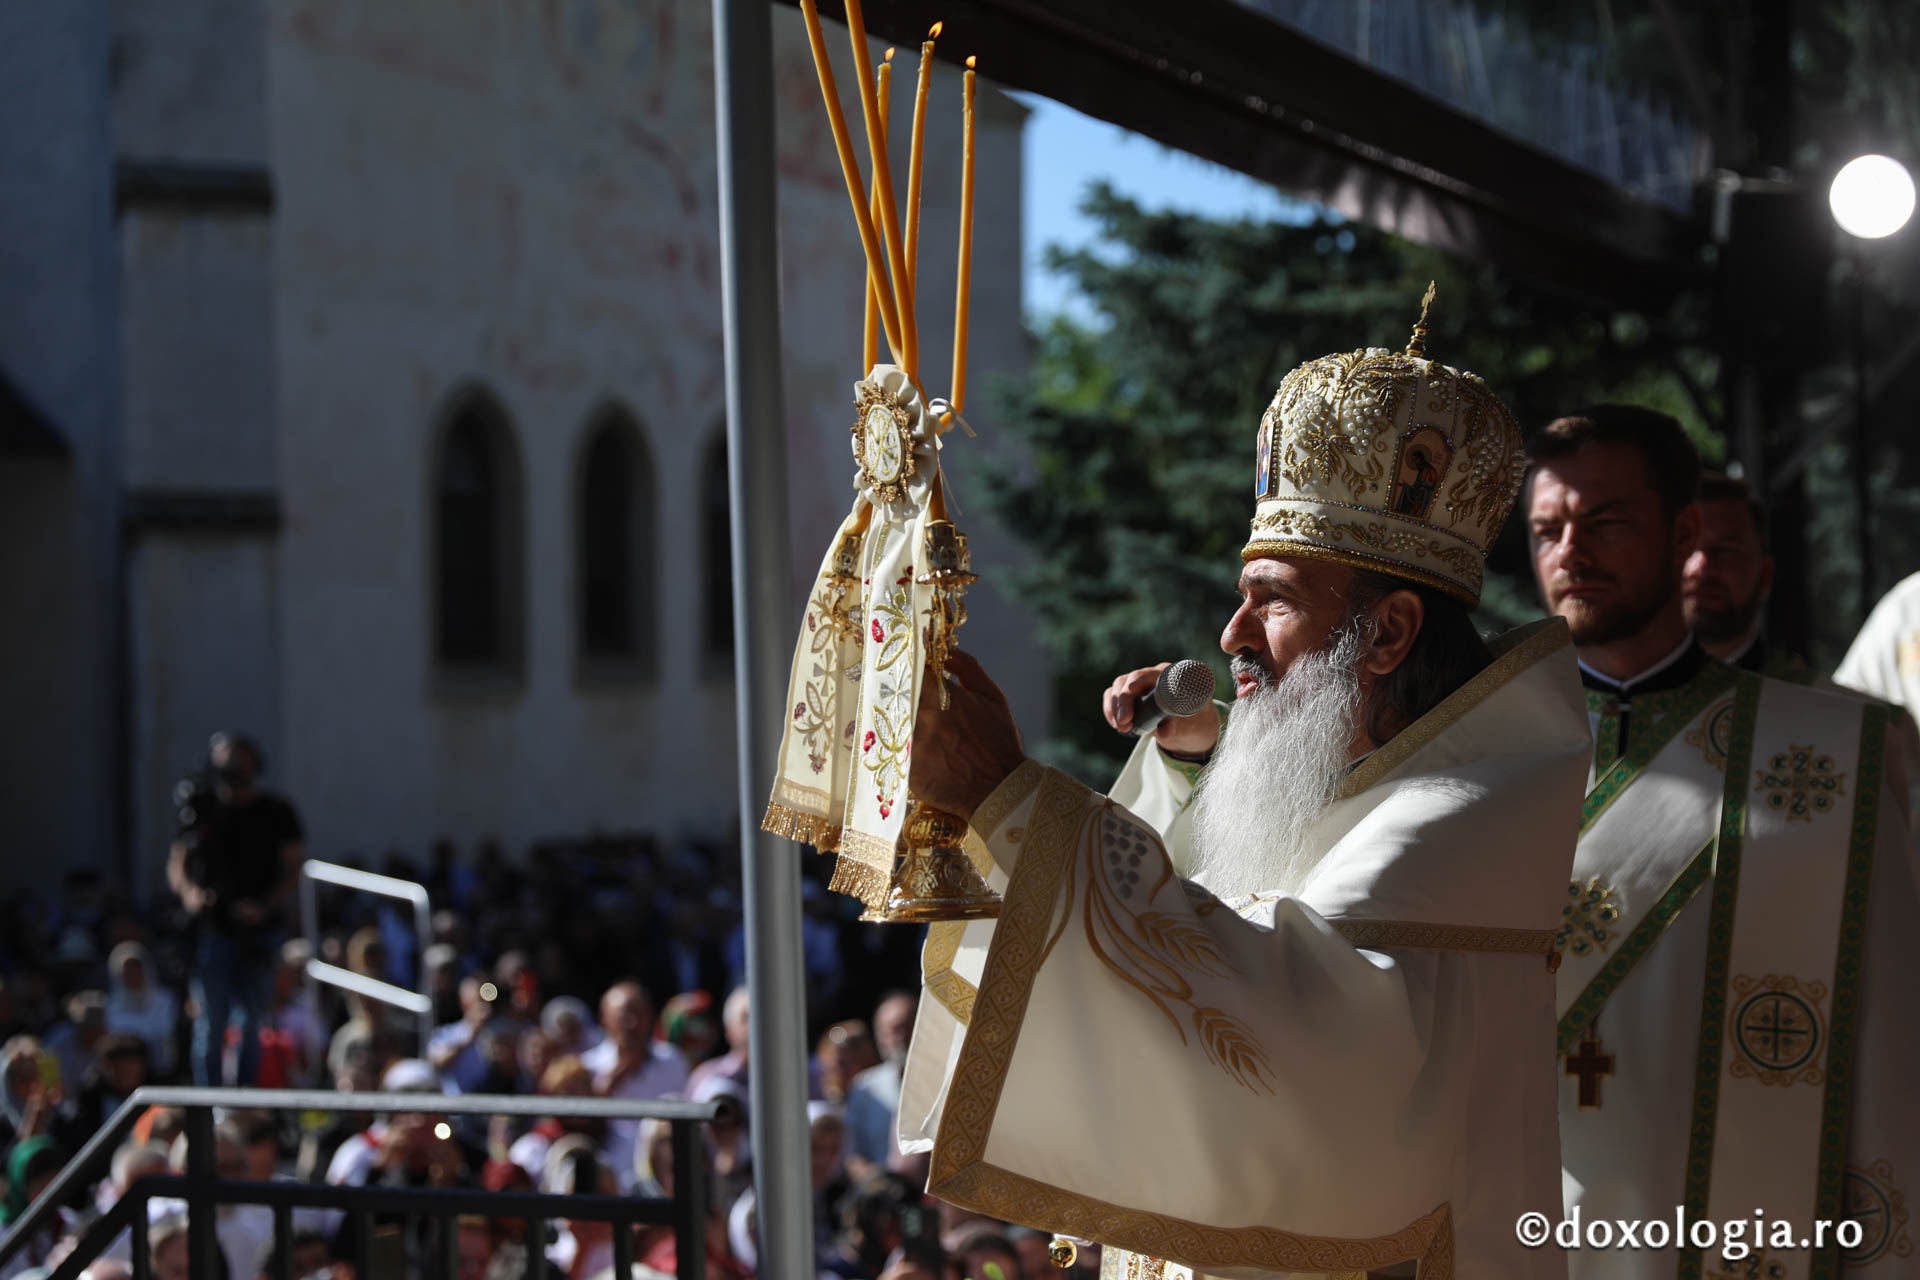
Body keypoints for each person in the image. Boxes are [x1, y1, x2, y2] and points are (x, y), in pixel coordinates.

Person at [901, 308, 1589, 1278]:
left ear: (1389, 634)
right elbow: (1221, 917)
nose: (1230, 634)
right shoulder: (1362, 783)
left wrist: (1010, 804)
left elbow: (1275, 1042)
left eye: (1273, 596)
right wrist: (1189, 769)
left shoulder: (1454, 819)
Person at [1524, 405, 1920, 1277]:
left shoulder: (1832, 756)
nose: (1571, 552)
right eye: (1548, 529)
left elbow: (1888, 1041)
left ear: (1684, 531)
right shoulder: (1480, 744)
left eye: (1606, 522)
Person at [166, 732, 304, 1086]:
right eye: (224, 762)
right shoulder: (203, 809)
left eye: (237, 762)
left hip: (259, 933)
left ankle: (243, 1097)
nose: (230, 770)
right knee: (211, 1021)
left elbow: (293, 869)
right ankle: (208, 1101)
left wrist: (264, 906)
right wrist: (191, 894)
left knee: (253, 1020)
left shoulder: (276, 812)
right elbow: (178, 861)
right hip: (213, 932)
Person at [581, 982, 687, 1190]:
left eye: (638, 1013)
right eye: (623, 1015)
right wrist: (602, 1092)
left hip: (665, 1187)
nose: (632, 1023)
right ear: (604, 1019)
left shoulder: (673, 1061)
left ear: (650, 1017)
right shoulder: (587, 1067)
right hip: (608, 1188)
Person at [1681, 471, 1788, 673]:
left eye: (1726, 551)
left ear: (1765, 575)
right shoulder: (1609, 698)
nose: (1700, 567)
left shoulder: (1818, 702)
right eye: (1685, 547)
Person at [844, 993, 914, 1172]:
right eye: (889, 1031)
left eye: (905, 1027)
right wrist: (875, 1184)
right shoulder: (864, 1088)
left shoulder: (946, 1082)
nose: (899, 1038)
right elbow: (853, 1154)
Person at [102, 943, 178, 1082]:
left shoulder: (166, 1000)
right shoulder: (111, 1006)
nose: (132, 976)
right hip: (124, 1080)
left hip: (163, 1075)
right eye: (127, 971)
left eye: (136, 969)